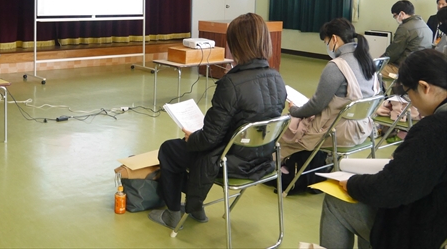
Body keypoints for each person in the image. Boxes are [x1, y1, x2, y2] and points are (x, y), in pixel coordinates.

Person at [148, 13, 286, 229]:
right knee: (189, 150)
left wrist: (192, 138)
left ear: (236, 45)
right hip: (262, 160)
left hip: (230, 162)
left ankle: (173, 213)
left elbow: (209, 139)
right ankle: (195, 207)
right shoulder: (277, 78)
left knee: (169, 150)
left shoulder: (231, 83)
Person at [319, 49, 447, 249]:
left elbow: (391, 189)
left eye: (408, 93)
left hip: (423, 230)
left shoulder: (434, 129)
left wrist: (352, 184)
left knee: (336, 201)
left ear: (424, 87)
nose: (410, 102)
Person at [279, 18, 379, 159]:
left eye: (326, 42)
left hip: (338, 132)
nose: (327, 46)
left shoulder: (336, 66)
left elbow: (316, 105)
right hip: (363, 128)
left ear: (334, 39)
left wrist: (294, 110)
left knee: (285, 129)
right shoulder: (367, 61)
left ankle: (284, 168)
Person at [381, 0, 432, 77]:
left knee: (372, 70)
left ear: (402, 13)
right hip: (421, 67)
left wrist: (381, 60)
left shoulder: (405, 28)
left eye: (395, 16)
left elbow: (394, 51)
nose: (395, 18)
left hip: (405, 68)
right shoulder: (423, 25)